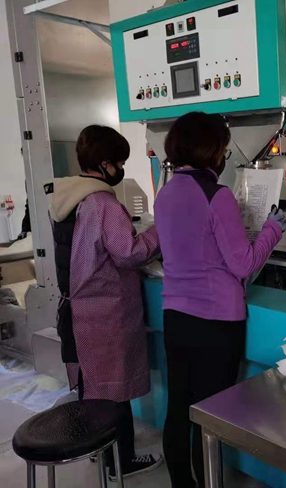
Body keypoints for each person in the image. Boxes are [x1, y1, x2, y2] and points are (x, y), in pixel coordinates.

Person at [154, 112, 286, 488]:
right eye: (224, 150)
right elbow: (243, 263)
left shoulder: (165, 194)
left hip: (176, 318)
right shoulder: (217, 195)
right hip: (216, 325)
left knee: (179, 409)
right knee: (209, 416)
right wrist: (273, 230)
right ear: (212, 151)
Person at [47, 125, 163, 481]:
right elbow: (129, 252)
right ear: (104, 164)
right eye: (120, 162)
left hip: (78, 309)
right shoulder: (102, 203)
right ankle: (121, 462)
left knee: (92, 387)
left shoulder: (66, 198)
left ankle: (98, 449)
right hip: (106, 312)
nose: (121, 168)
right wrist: (158, 232)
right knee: (114, 393)